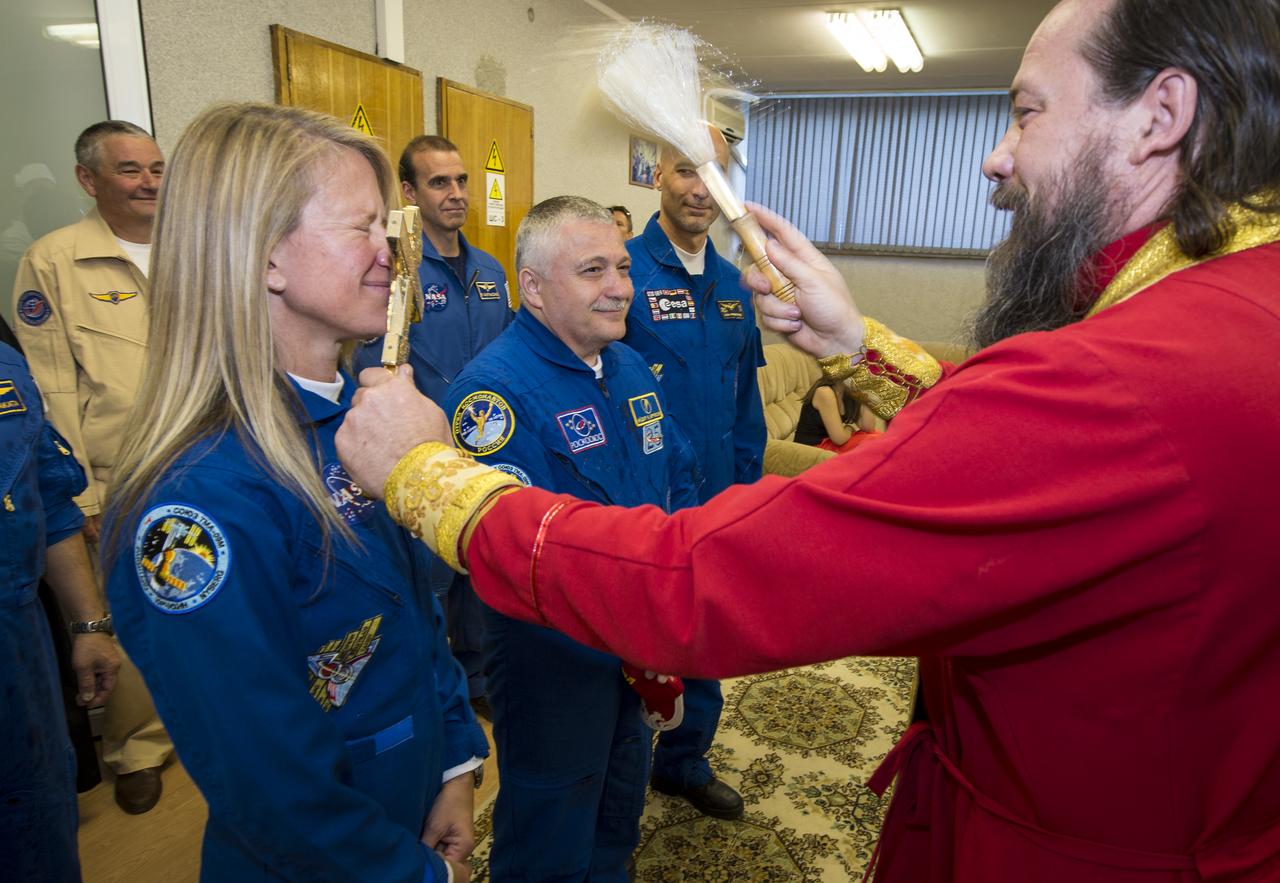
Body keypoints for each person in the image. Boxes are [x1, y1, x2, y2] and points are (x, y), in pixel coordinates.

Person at [336, 0, 1280, 879]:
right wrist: (854, 345)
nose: (997, 159)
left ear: (1161, 114)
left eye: (1026, 114)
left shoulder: (1117, 380)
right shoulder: (1229, 315)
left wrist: (427, 479)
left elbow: (702, 578)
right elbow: (1040, 443)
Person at [102, 103, 488, 882]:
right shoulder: (197, 499)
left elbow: (415, 616)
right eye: (363, 228)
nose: (391, 255)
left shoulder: (360, 420)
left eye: (389, 226)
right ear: (267, 258)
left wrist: (453, 762)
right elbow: (270, 783)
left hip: (407, 803)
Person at [441, 196, 696, 881]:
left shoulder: (632, 368)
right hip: (554, 652)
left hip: (636, 635)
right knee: (553, 822)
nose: (618, 286)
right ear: (533, 285)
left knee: (619, 801)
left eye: (621, 265)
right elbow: (519, 555)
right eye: (592, 270)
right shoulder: (491, 396)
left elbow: (678, 482)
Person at [11, 119, 172, 814]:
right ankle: (136, 745)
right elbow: (49, 393)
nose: (148, 183)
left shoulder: (190, 247)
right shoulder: (54, 262)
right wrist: (81, 495)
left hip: (202, 455)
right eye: (131, 170)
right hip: (118, 471)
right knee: (124, 611)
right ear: (88, 179)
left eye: (157, 169)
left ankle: (204, 723)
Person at [619, 125, 766, 820]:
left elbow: (745, 398)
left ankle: (683, 760)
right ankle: (615, 767)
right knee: (629, 643)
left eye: (713, 174)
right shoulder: (622, 274)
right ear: (657, 179)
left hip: (717, 500)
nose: (700, 188)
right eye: (685, 171)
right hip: (643, 505)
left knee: (703, 632)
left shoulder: (737, 285)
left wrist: (746, 485)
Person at [356, 135, 512, 711]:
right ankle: (432, 696)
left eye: (462, 181)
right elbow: (371, 366)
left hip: (489, 447)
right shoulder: (396, 273)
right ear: (408, 192)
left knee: (480, 568)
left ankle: (477, 680)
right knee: (430, 583)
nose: (456, 194)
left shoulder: (491, 270)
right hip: (419, 452)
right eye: (439, 182)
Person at [1, 338, 119, 883]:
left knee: (38, 817)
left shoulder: (5, 365)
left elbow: (47, 498)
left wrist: (89, 625)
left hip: (18, 650)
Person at [793, 377, 880, 453]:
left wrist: (862, 391)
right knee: (873, 443)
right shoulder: (825, 392)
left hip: (828, 443)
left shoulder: (848, 391)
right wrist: (849, 428)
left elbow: (868, 427)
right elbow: (839, 439)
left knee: (878, 437)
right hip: (811, 448)